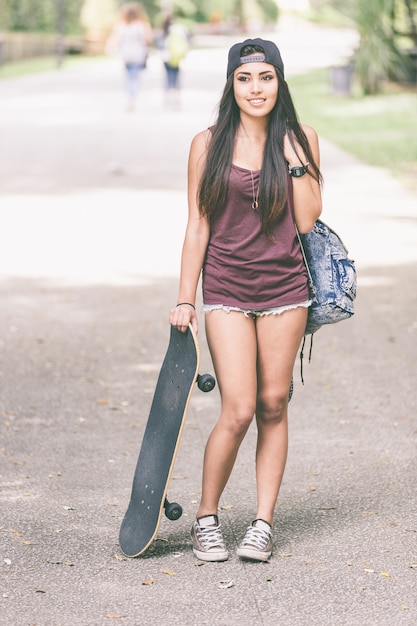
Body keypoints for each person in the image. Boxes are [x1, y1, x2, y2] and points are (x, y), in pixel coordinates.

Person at [169, 38, 323, 562]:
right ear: (231, 84)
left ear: (280, 83)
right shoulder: (206, 144)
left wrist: (295, 160)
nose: (256, 89)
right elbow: (197, 224)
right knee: (237, 409)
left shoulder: (302, 139)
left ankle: (262, 523)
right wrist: (185, 299)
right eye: (244, 78)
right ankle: (207, 518)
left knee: (273, 403)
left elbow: (305, 221)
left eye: (266, 78)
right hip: (228, 289)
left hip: (286, 291)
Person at [107, 2, 153, 110]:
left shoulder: (121, 25)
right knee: (135, 76)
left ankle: (129, 96)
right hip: (138, 54)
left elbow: (115, 38)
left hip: (126, 54)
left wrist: (110, 48)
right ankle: (132, 97)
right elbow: (148, 39)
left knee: (129, 76)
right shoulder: (142, 25)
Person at [159, 14, 190, 108]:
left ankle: (169, 96)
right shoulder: (178, 30)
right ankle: (176, 96)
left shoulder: (164, 31)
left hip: (166, 58)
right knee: (176, 76)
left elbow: (160, 45)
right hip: (176, 57)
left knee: (168, 77)